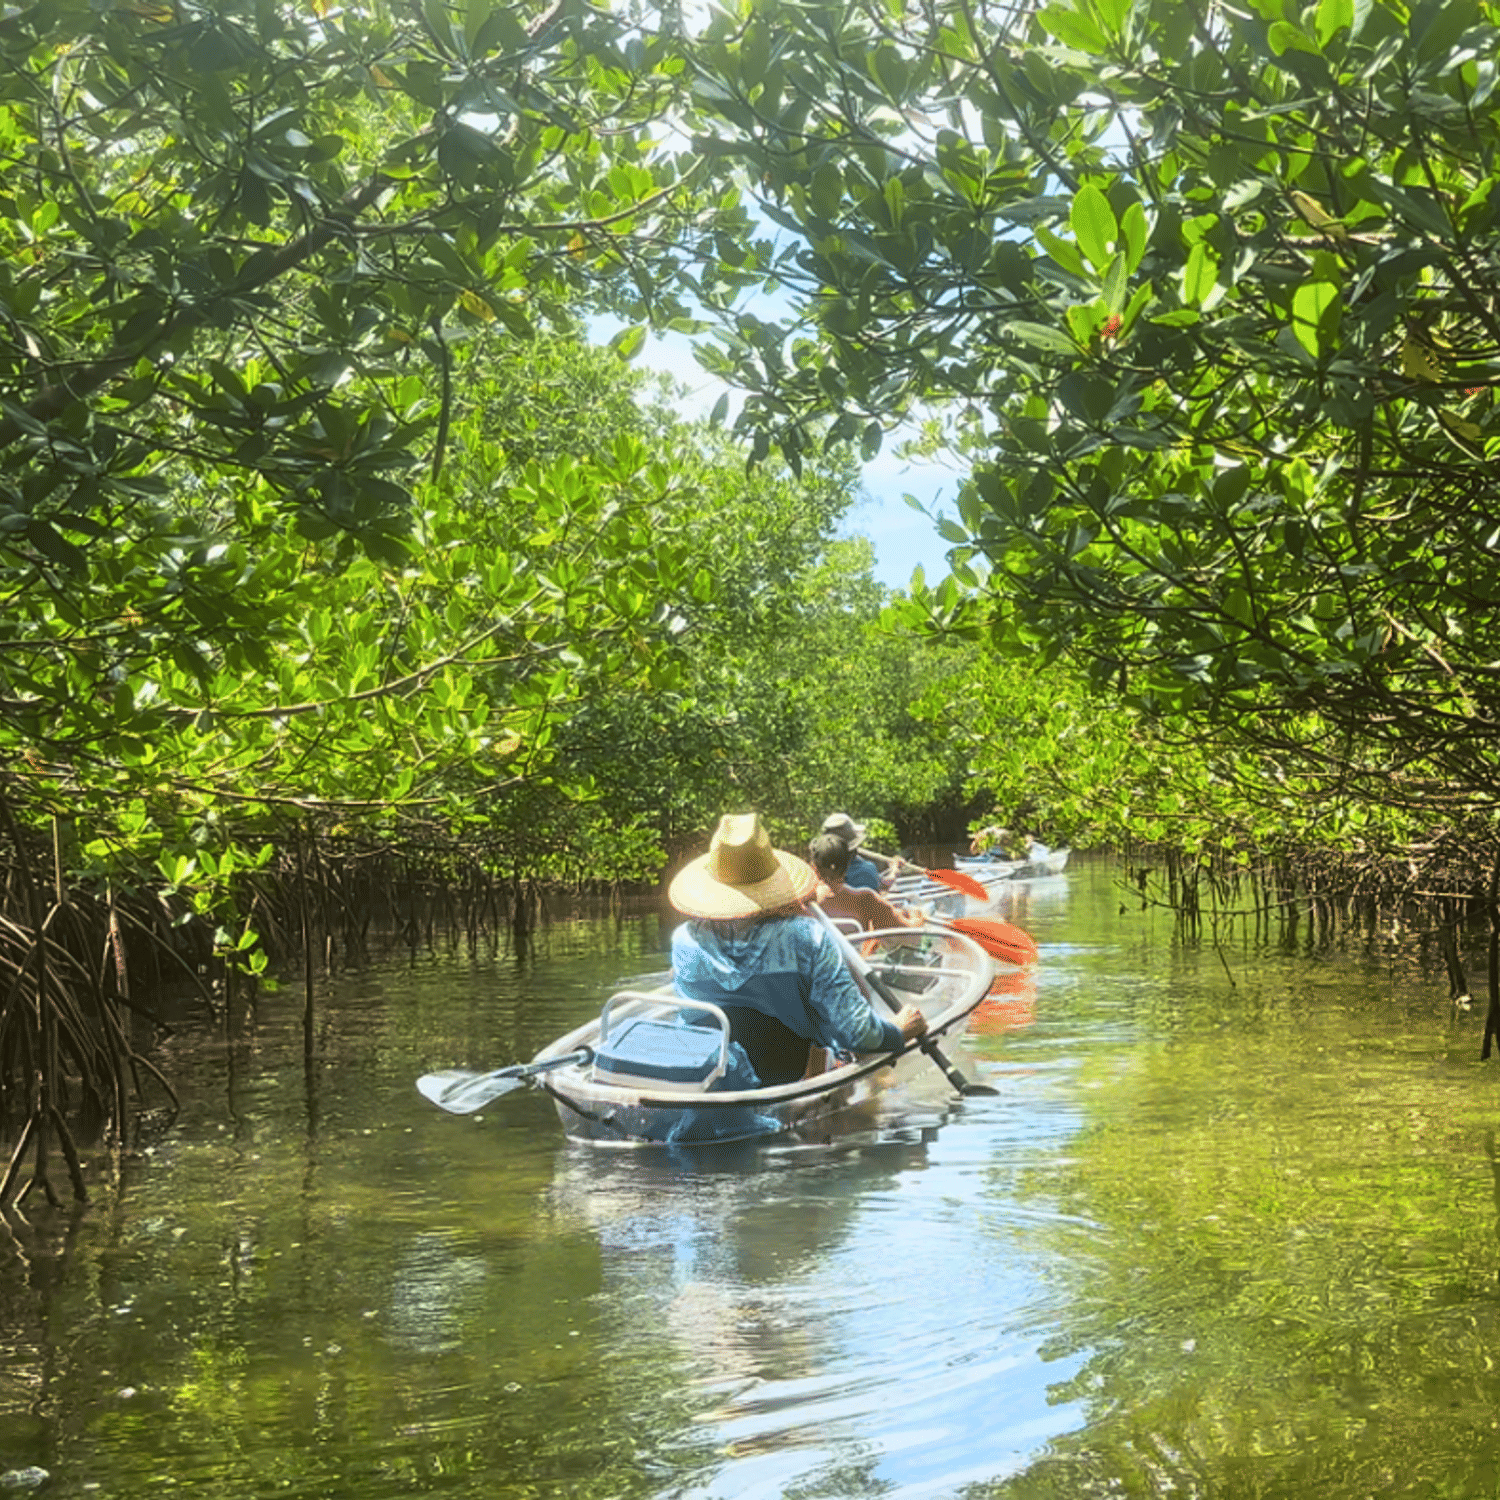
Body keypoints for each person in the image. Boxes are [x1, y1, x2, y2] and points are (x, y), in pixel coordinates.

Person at [669, 813, 928, 1086]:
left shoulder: (683, 940)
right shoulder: (806, 937)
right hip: (778, 1079)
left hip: (707, 1074)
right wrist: (898, 1031)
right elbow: (859, 1034)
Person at [808, 833, 924, 932]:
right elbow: (908, 928)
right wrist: (916, 913)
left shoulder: (802, 902)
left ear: (813, 867)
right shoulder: (865, 899)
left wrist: (894, 871)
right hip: (853, 957)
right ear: (848, 863)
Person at [819, 812, 903, 890]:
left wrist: (894, 870)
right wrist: (895, 870)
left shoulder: (817, 871)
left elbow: (882, 883)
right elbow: (883, 886)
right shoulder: (865, 870)